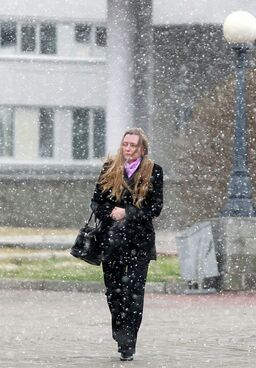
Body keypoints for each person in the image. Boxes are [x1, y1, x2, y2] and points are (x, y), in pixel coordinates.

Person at [91, 127, 164, 361]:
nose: (128, 149)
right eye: (125, 144)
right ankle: (119, 331)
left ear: (142, 149)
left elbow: (155, 208)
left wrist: (128, 213)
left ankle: (128, 341)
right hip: (111, 241)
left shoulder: (154, 172)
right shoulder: (109, 169)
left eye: (133, 145)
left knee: (133, 293)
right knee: (114, 292)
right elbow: (95, 203)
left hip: (138, 243)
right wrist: (110, 212)